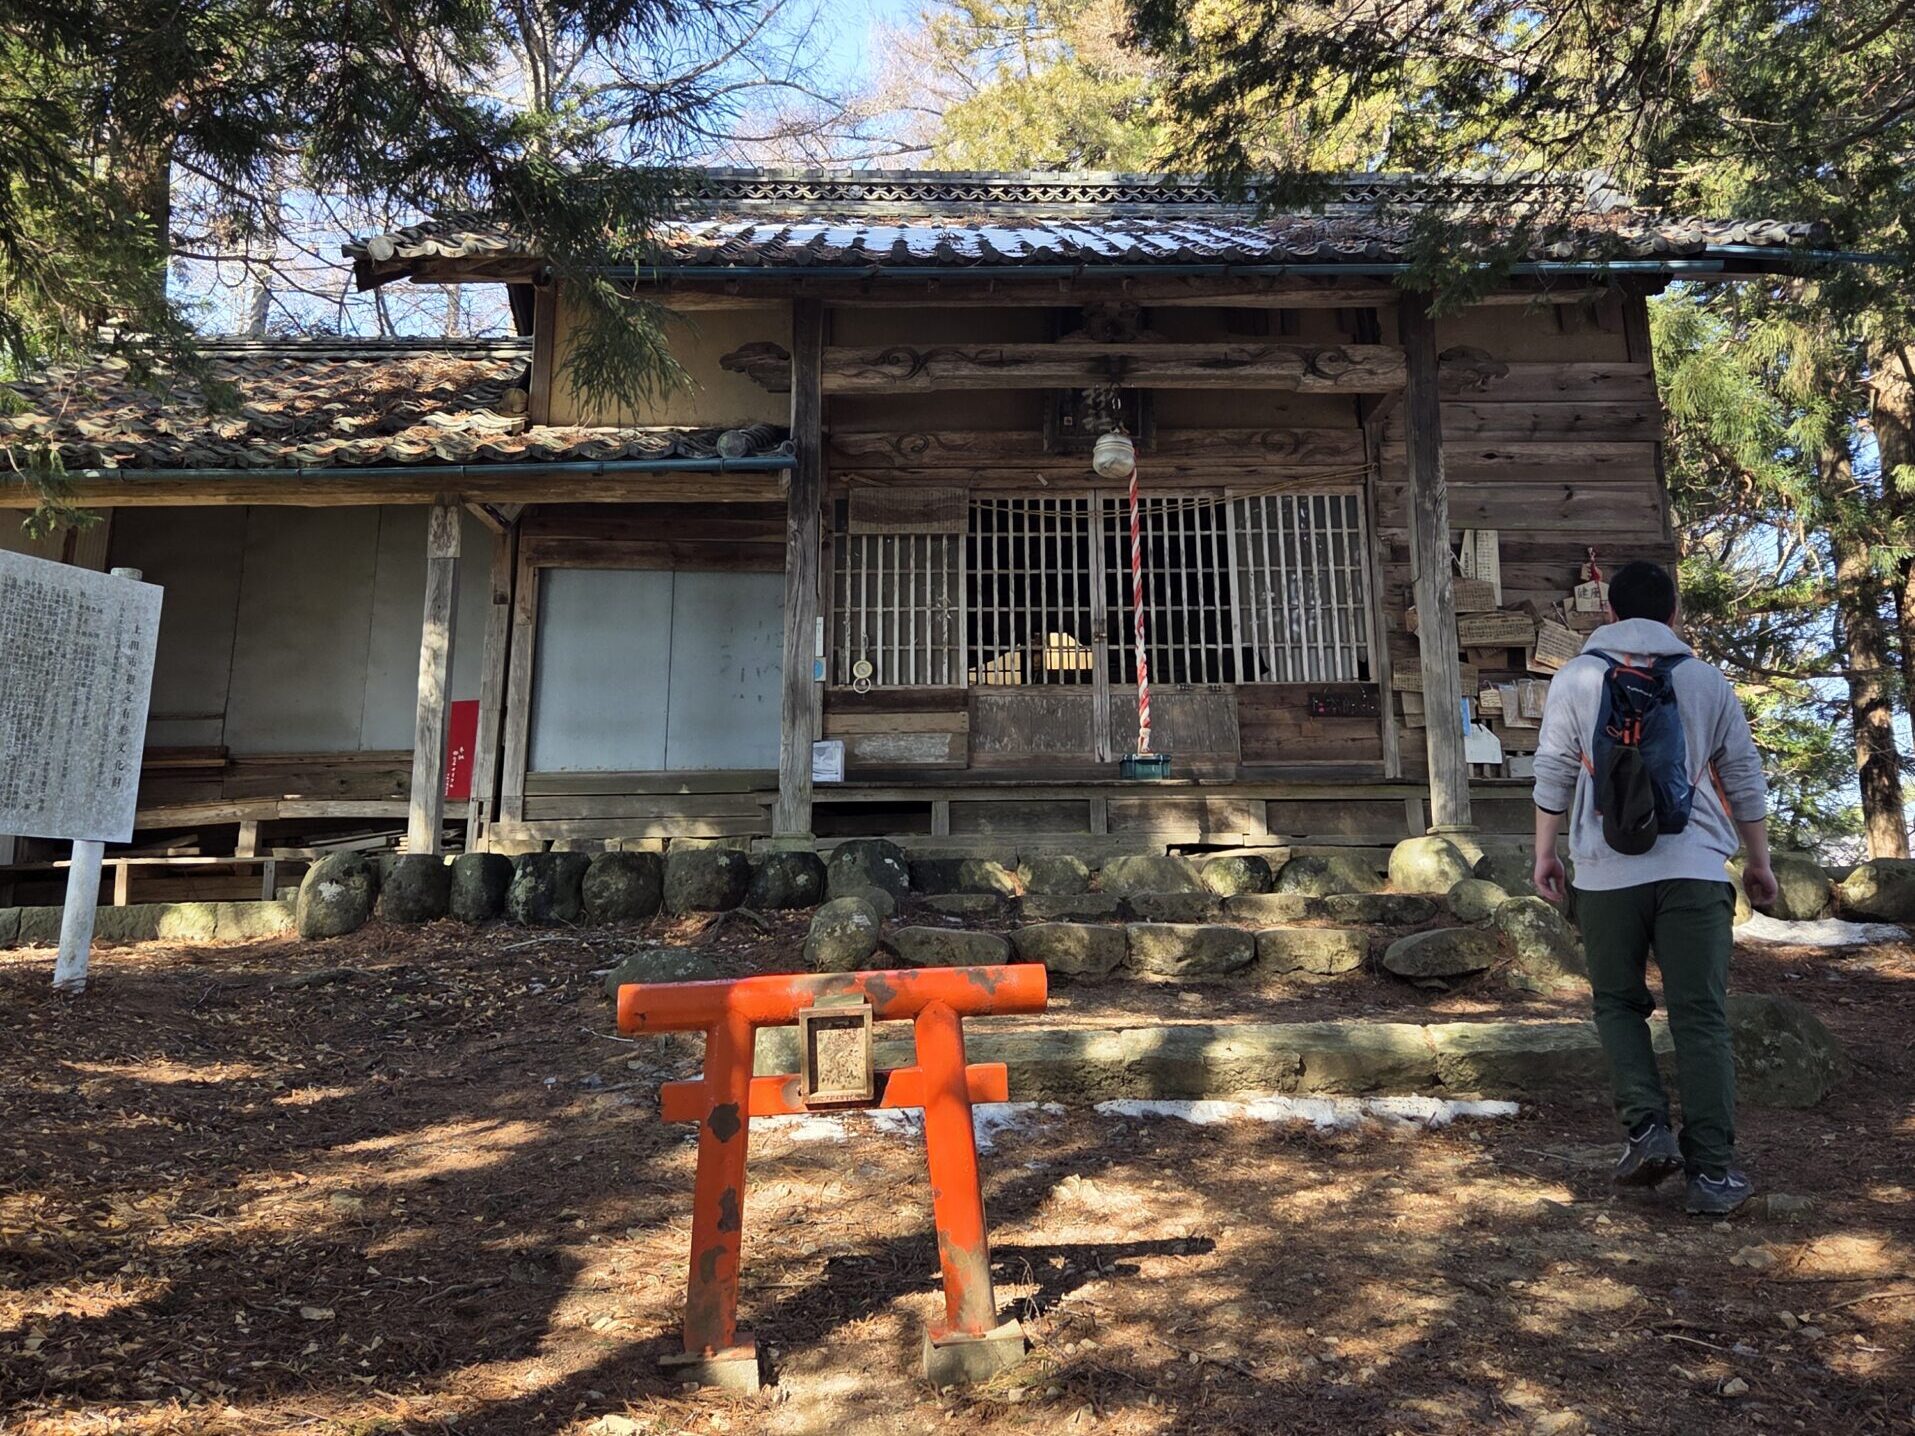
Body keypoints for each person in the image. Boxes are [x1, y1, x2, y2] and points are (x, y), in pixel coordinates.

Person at [1530, 560, 1777, 1214]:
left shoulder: (1576, 677)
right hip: (1694, 869)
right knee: (1699, 1016)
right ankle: (1712, 1175)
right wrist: (1758, 862)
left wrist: (1545, 854)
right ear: (1672, 615)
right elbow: (1742, 775)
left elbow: (1553, 769)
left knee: (1617, 1004)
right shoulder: (1702, 679)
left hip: (1606, 871)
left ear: (1609, 613)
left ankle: (1645, 1131)